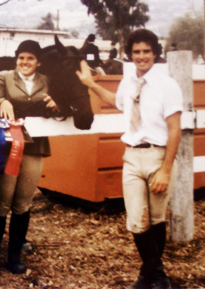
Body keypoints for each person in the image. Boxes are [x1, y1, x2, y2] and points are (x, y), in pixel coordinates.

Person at [76, 29, 182, 289]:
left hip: (159, 156)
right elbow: (119, 101)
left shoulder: (168, 84)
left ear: (155, 53)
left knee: (156, 219)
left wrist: (166, 170)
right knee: (136, 220)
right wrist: (91, 85)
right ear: (130, 54)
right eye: (137, 52)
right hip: (133, 156)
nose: (142, 56)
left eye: (147, 51)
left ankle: (149, 276)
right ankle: (158, 277)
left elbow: (175, 128)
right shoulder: (128, 81)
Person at [0, 40, 57, 275]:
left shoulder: (47, 81)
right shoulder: (4, 77)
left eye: (30, 58)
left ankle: (14, 256)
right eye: (21, 58)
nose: (25, 62)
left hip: (35, 148)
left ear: (38, 61)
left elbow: (58, 105)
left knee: (23, 202)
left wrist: (56, 105)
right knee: (2, 201)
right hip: (8, 147)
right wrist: (2, 100)